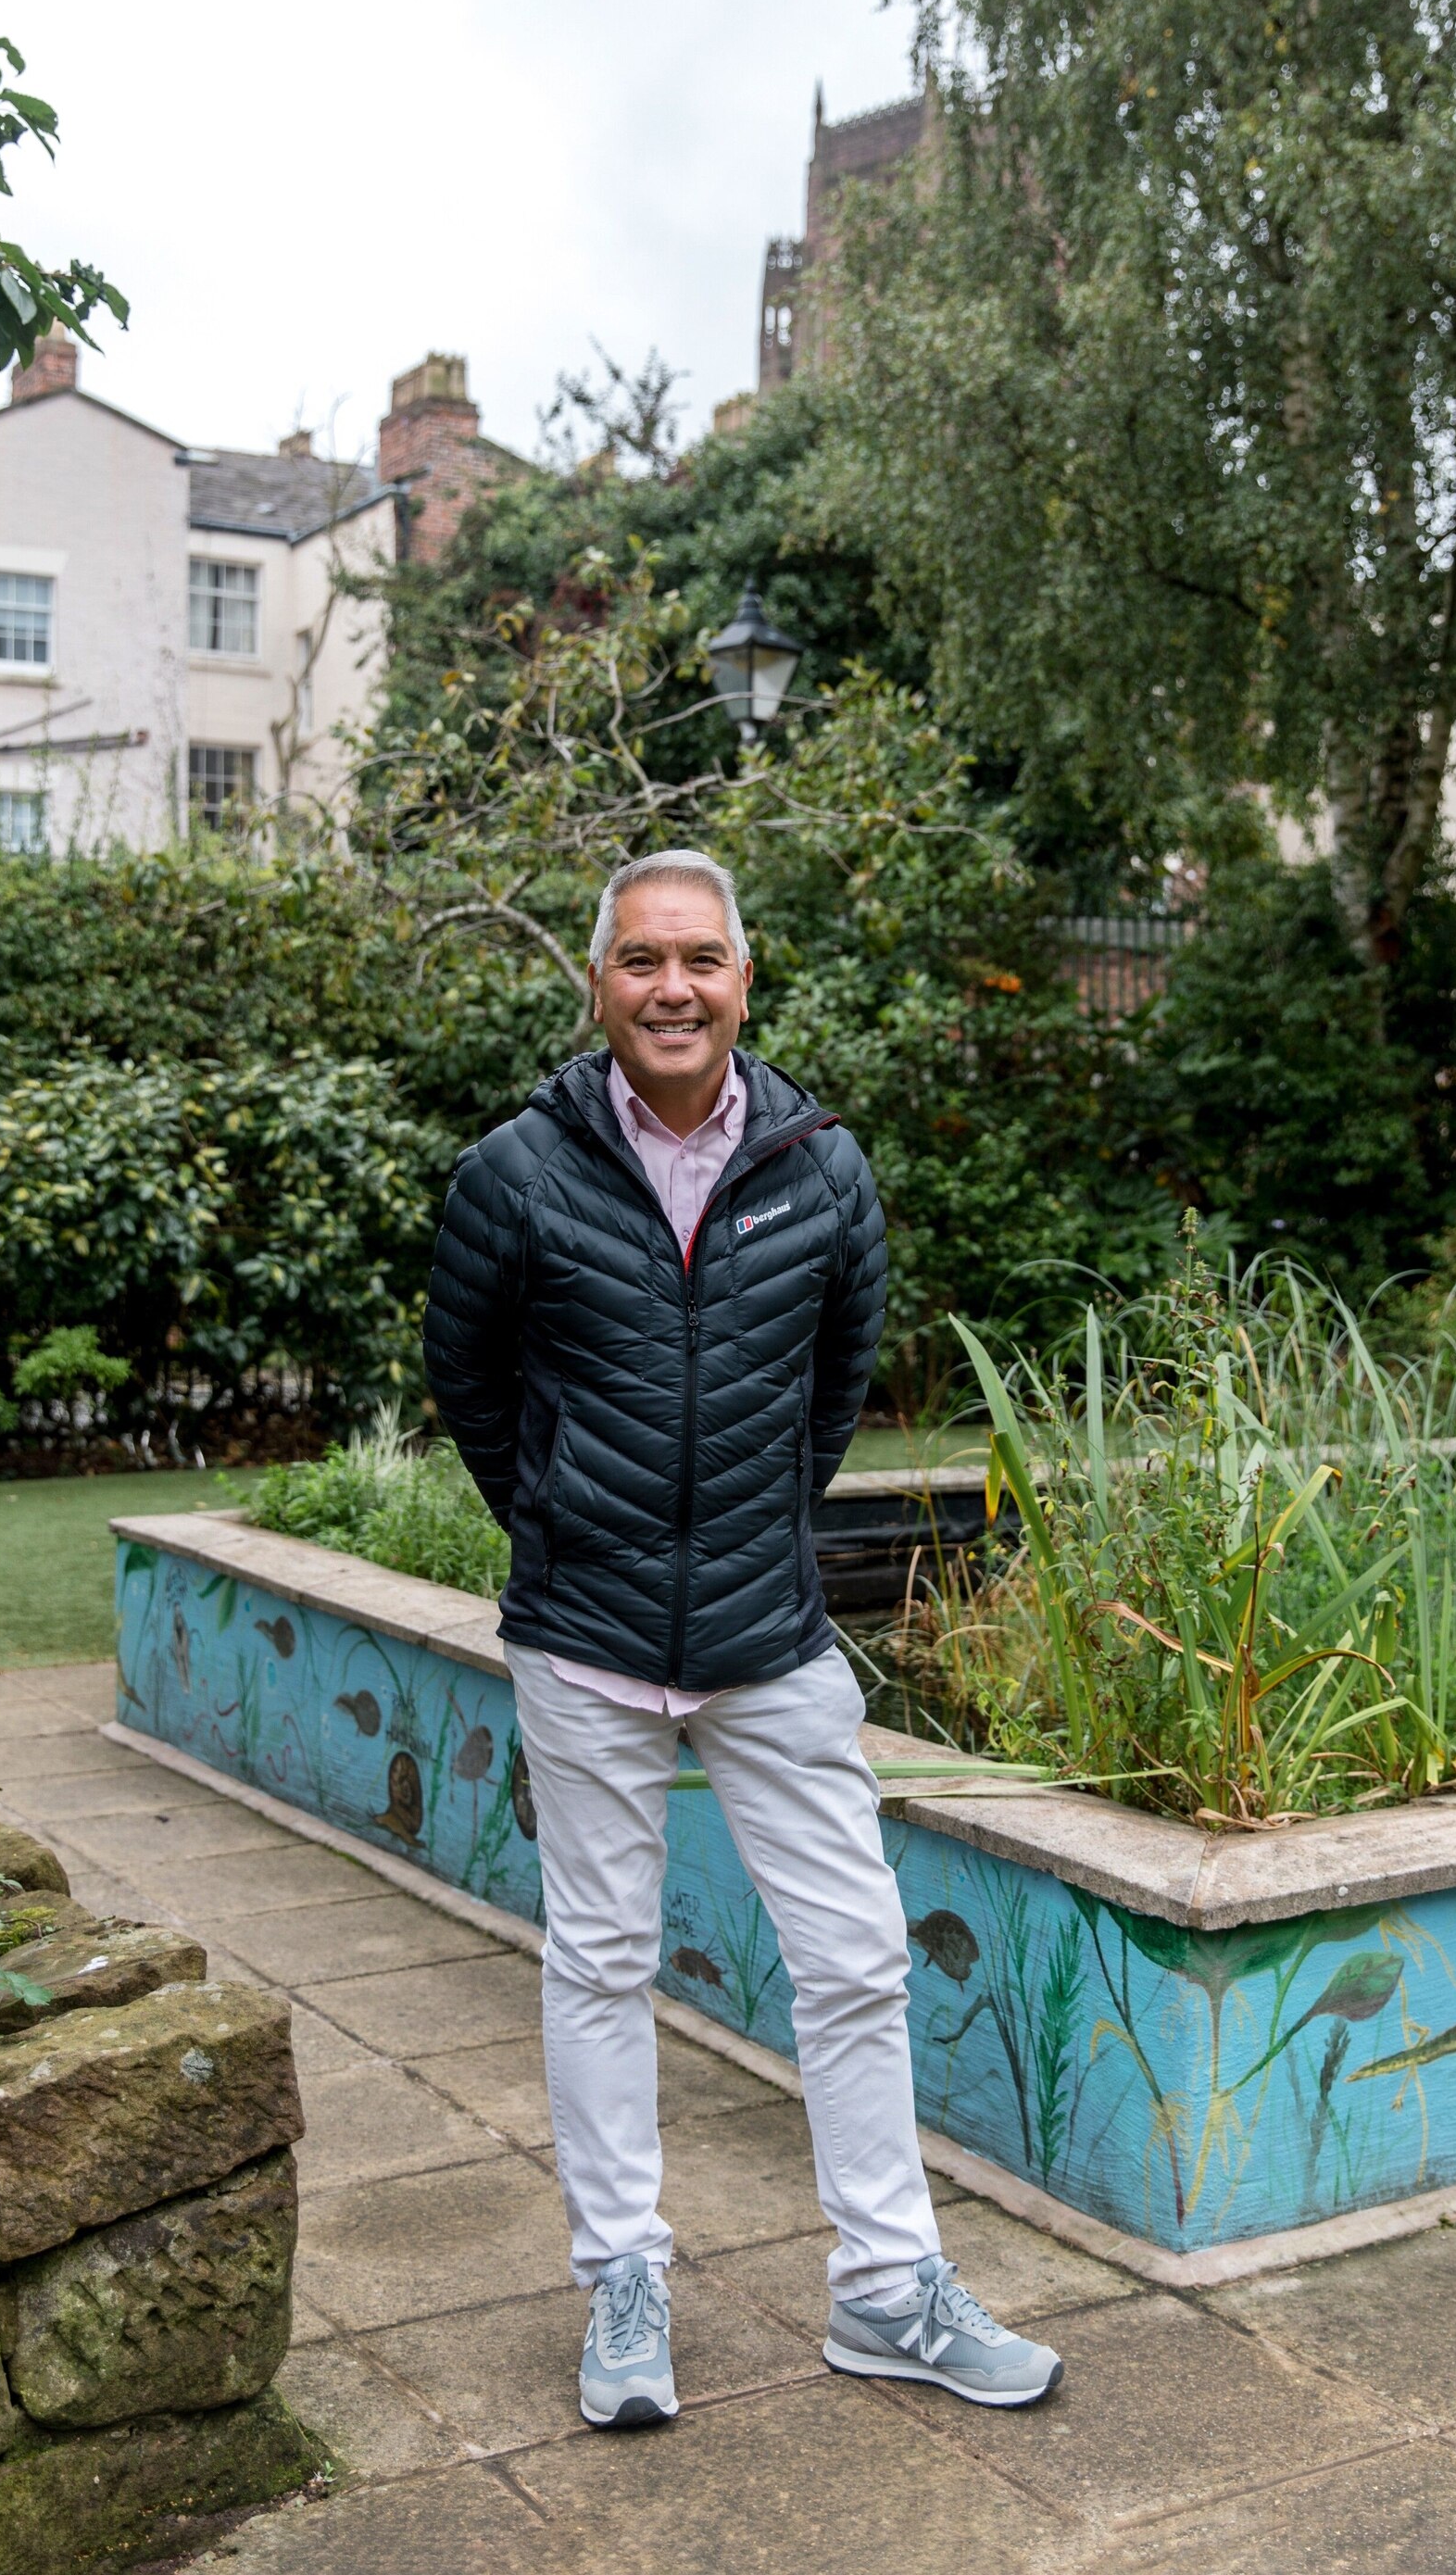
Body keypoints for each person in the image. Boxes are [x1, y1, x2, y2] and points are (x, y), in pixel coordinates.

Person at [423, 848, 1062, 2430]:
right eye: (642, 960)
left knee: (852, 1962)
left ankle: (888, 2292)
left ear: (743, 982)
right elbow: (472, 1382)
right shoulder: (517, 1170)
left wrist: (751, 1533)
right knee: (599, 1963)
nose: (673, 988)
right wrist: (565, 1522)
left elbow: (836, 1380)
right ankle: (624, 2286)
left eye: (700, 960)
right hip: (585, 1639)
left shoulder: (820, 1166)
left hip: (771, 1639)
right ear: (600, 984)